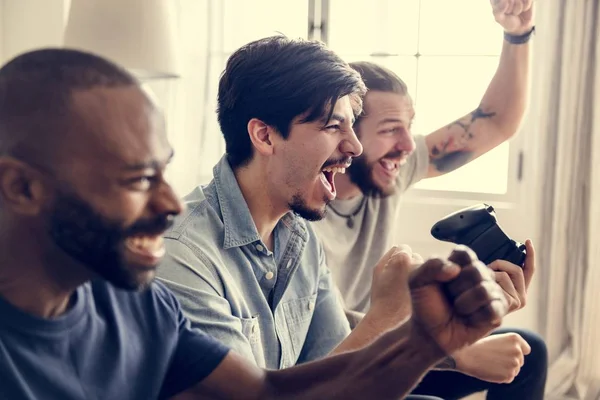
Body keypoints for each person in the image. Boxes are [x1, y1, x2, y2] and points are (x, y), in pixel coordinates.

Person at [0, 48, 508, 400]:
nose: (170, 205)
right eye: (137, 180)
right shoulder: (177, 259)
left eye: (163, 170)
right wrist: (390, 324)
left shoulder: (137, 302)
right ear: (22, 188)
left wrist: (428, 340)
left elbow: (270, 394)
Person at [311, 0, 548, 399]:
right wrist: (454, 349)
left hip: (387, 337)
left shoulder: (388, 168)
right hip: (335, 357)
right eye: (389, 130)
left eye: (410, 127)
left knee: (529, 352)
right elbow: (328, 334)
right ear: (343, 133)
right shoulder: (299, 206)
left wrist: (516, 32)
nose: (407, 146)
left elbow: (496, 121)